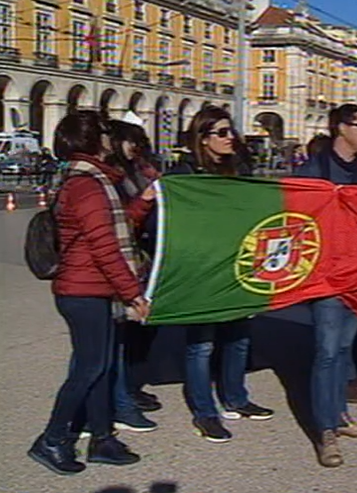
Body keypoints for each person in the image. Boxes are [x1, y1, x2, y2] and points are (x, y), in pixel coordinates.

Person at [28, 111, 149, 475]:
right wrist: (132, 294)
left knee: (101, 365)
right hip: (84, 290)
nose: (110, 138)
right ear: (92, 138)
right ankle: (51, 439)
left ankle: (101, 438)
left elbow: (113, 231)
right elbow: (104, 246)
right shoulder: (87, 184)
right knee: (89, 368)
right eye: (105, 132)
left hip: (92, 288)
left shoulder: (92, 179)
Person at [168, 106, 274, 442]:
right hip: (200, 268)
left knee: (239, 338)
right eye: (222, 133)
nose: (231, 138)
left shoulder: (240, 170)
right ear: (203, 137)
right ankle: (205, 412)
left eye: (231, 132)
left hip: (237, 265)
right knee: (201, 345)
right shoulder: (183, 174)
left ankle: (236, 398)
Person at [291, 104, 357, 467]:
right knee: (327, 351)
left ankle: (340, 415)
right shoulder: (313, 170)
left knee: (344, 350)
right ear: (341, 128)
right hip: (327, 276)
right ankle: (325, 431)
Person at [102, 120, 163, 432]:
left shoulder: (139, 170)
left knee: (139, 333)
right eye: (130, 141)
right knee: (118, 338)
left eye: (140, 141)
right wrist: (145, 201)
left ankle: (132, 388)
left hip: (142, 259)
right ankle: (119, 401)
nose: (135, 147)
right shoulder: (113, 177)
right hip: (124, 260)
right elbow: (121, 221)